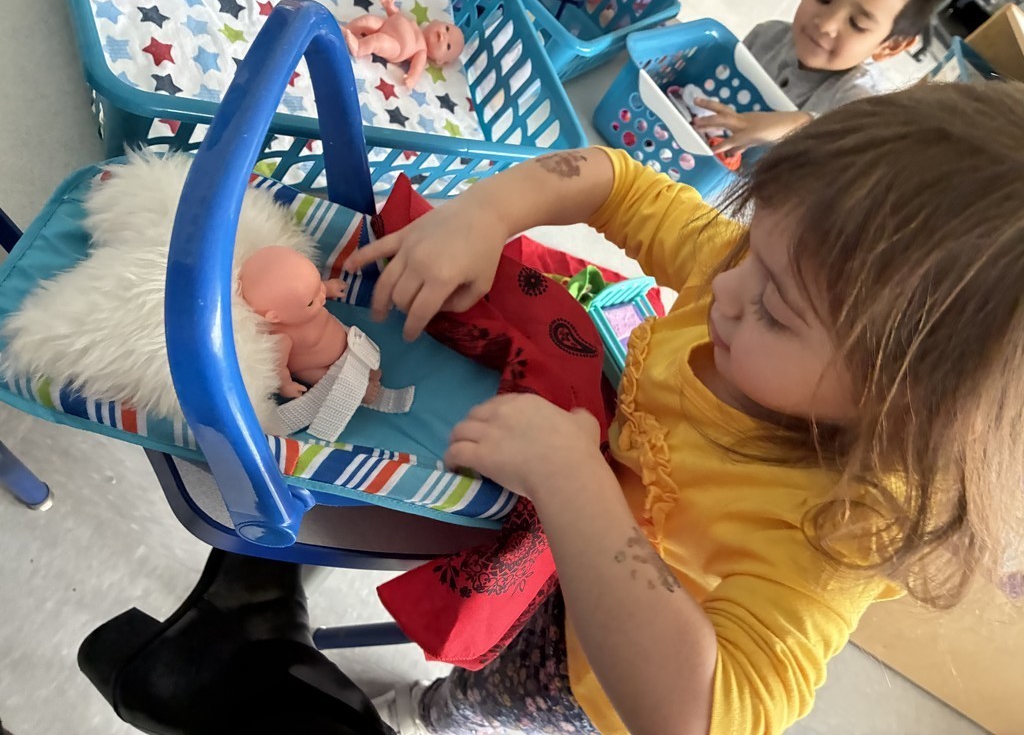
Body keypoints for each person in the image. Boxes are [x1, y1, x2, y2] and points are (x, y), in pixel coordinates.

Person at [345, 81, 1024, 735]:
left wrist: (571, 480)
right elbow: (617, 181)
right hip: (556, 510)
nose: (724, 287)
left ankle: (424, 712)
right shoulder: (746, 274)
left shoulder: (843, 526)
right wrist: (485, 212)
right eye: (751, 247)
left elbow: (701, 715)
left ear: (903, 408)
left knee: (482, 697)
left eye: (774, 310)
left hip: (597, 664)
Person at [693, 0, 966, 155]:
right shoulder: (767, 36)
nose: (826, 24)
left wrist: (795, 124)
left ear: (891, 45)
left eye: (857, 24)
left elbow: (854, 140)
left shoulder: (861, 99)